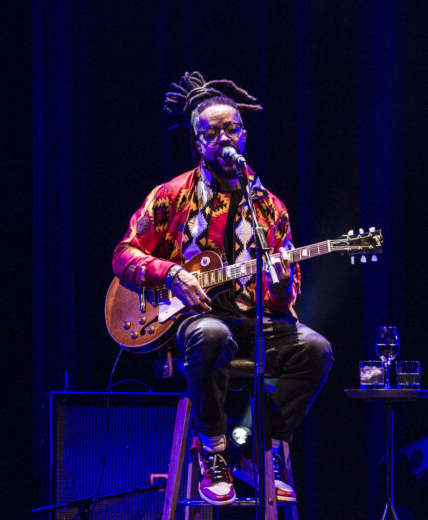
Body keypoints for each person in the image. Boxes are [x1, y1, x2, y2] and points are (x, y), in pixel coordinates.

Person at [112, 71, 333, 506]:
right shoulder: (172, 196)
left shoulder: (270, 208)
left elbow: (283, 298)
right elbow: (124, 256)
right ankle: (212, 448)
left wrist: (283, 282)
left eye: (231, 129)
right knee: (212, 333)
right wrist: (171, 274)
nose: (223, 138)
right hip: (192, 323)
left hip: (256, 323)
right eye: (211, 133)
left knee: (317, 350)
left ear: (244, 135)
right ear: (198, 143)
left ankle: (259, 451)